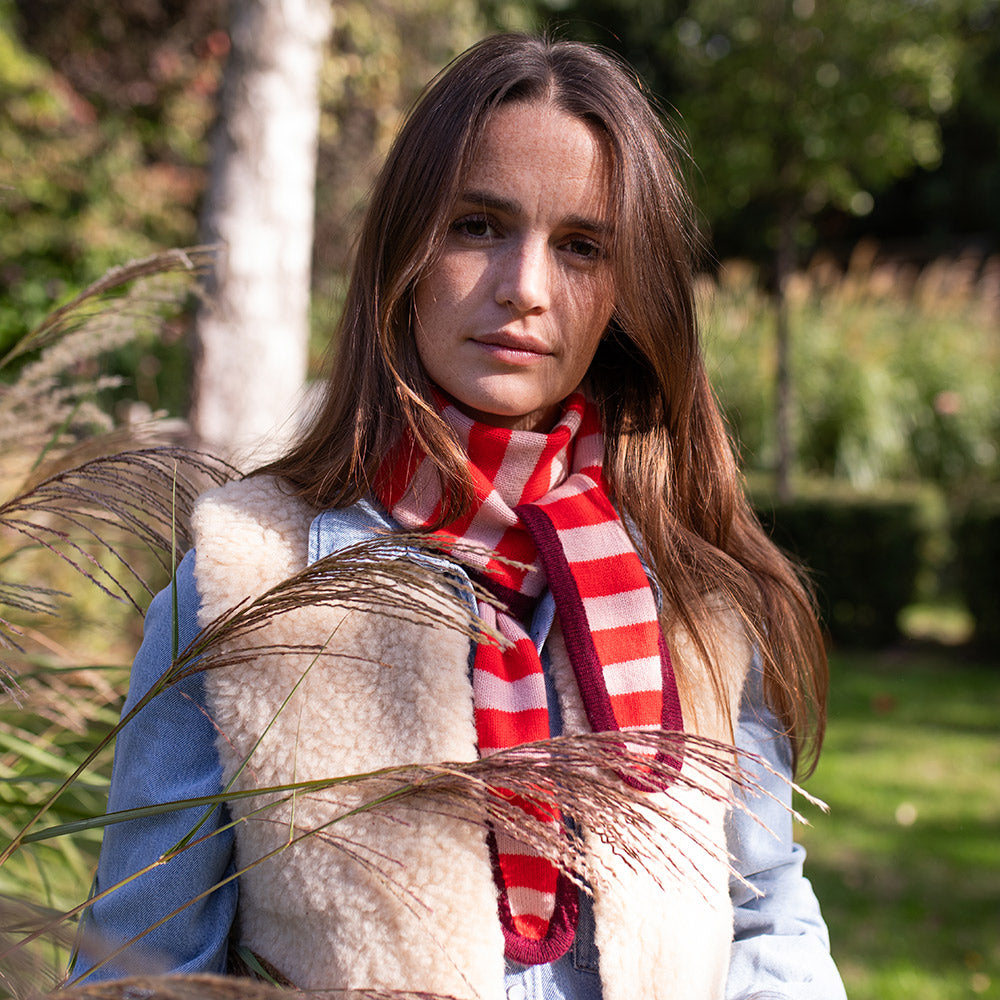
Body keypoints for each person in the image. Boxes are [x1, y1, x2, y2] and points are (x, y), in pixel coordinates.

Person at [75, 33, 847, 1000]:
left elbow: (765, 920)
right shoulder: (241, 591)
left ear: (625, 290)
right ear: (405, 248)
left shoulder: (692, 600)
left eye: (580, 246)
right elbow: (140, 972)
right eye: (479, 225)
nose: (524, 287)